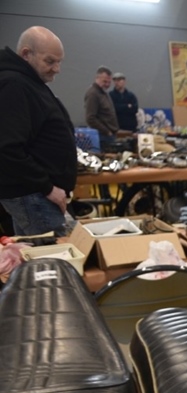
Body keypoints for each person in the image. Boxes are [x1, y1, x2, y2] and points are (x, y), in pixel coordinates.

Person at [0, 26, 76, 237]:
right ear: (26, 54)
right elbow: (7, 148)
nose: (57, 69)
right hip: (33, 194)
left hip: (35, 194)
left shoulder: (28, 81)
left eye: (59, 62)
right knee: (55, 254)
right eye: (50, 61)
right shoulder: (14, 84)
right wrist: (47, 188)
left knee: (36, 253)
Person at [84, 65, 118, 145]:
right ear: (97, 78)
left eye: (109, 82)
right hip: (102, 136)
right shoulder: (93, 94)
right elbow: (90, 118)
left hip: (109, 135)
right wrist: (107, 132)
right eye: (105, 81)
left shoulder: (103, 93)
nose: (107, 84)